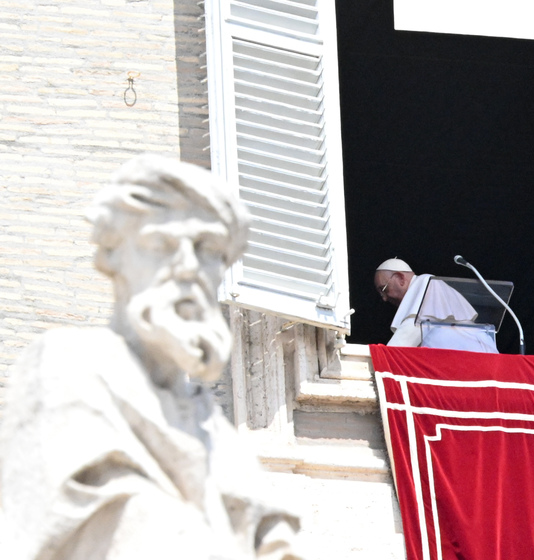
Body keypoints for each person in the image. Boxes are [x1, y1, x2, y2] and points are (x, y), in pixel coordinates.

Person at [0, 155, 303, 560]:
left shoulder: (217, 433)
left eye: (208, 249)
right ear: (113, 256)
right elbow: (97, 523)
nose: (186, 267)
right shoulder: (65, 367)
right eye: (161, 244)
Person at [374, 258, 498, 353]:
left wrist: (382, 356)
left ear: (400, 278)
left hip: (472, 352)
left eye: (384, 289)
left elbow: (409, 333)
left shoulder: (425, 282)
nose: (384, 298)